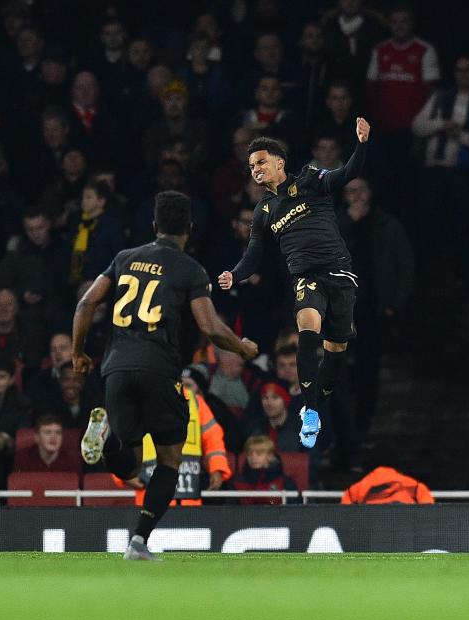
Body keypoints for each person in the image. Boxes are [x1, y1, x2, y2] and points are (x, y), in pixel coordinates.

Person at [73, 190, 258, 561]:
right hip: (159, 369)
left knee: (130, 460)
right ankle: (139, 542)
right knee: (169, 458)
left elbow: (87, 302)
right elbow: (210, 327)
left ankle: (105, 438)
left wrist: (78, 352)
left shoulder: (124, 258)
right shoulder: (190, 269)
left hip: (116, 368)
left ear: (154, 225)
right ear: (189, 228)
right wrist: (242, 347)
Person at [218, 118, 371, 449]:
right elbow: (254, 256)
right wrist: (235, 274)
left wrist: (361, 144)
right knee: (307, 329)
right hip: (305, 277)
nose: (255, 169)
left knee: (336, 352)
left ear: (279, 163)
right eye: (251, 165)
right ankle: (311, 412)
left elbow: (347, 174)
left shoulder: (311, 180)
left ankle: (317, 401)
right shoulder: (263, 210)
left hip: (340, 275)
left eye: (261, 162)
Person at [229, 435, 298, 505]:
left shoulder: (285, 483)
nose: (253, 457)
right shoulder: (236, 482)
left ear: (270, 456)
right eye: (250, 454)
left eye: (259, 453)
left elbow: (295, 511)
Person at [13, 414, 81, 474]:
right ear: (37, 437)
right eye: (48, 432)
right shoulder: (23, 458)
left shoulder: (71, 461)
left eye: (58, 433)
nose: (54, 437)